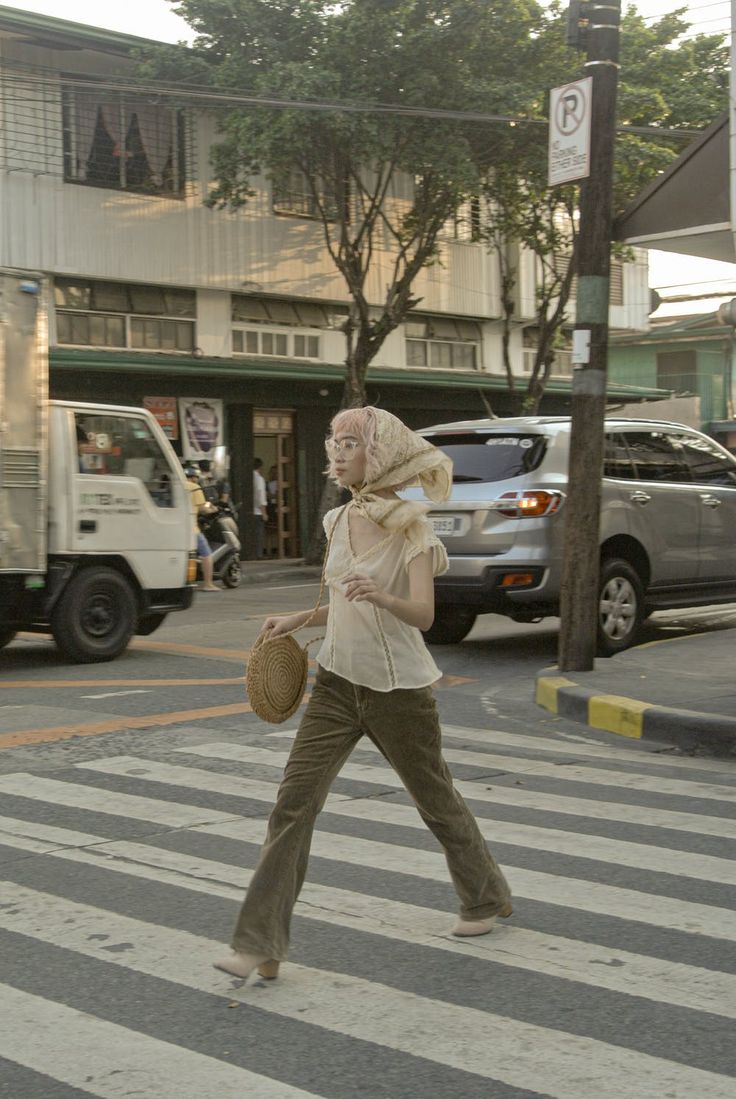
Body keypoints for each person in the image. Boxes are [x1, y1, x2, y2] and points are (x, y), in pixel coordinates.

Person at [215, 406, 512, 982]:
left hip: (398, 688)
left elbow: (423, 615)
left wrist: (383, 595)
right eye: (332, 439)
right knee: (292, 805)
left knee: (436, 800)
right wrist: (301, 617)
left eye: (349, 442)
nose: (336, 450)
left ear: (381, 455)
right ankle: (260, 944)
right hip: (335, 682)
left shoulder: (413, 529)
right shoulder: (336, 522)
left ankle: (483, 895)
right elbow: (343, 600)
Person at [184, 464, 219, 591]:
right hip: (192, 529)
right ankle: (208, 584)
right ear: (193, 478)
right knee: (206, 554)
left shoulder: (175, 485)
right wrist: (214, 509)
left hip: (177, 529)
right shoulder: (194, 488)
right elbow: (203, 509)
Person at [252, 457, 268, 559]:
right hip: (257, 511)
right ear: (260, 467)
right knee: (259, 535)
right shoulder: (259, 479)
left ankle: (253, 554)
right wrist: (264, 512)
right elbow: (260, 496)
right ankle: (259, 554)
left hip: (250, 511)